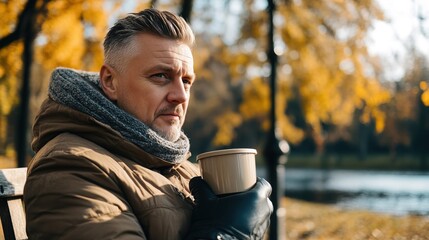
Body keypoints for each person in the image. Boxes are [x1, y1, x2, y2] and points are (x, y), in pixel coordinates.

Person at [24, 8, 273, 240]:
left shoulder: (173, 163)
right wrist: (226, 234)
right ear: (110, 81)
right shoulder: (69, 166)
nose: (181, 95)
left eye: (186, 81)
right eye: (161, 76)